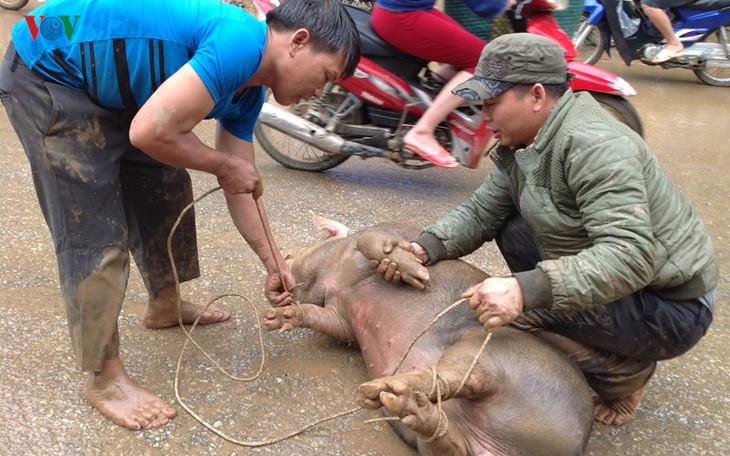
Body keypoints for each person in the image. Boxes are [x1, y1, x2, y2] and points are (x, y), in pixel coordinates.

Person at [0, 0, 360, 431]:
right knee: (93, 226)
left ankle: (164, 305)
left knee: (165, 186)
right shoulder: (241, 43)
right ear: (299, 42)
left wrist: (274, 264)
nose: (320, 93)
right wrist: (223, 165)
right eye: (325, 78)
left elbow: (241, 185)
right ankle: (104, 378)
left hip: (112, 82)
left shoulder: (247, 94)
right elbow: (152, 131)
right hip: (50, 64)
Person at [371, 33, 717, 426]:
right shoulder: (526, 141)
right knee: (513, 228)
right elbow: (484, 210)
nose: (483, 114)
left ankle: (625, 371)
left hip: (670, 307)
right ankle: (588, 330)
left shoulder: (595, 145)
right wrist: (425, 247)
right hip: (634, 283)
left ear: (536, 96)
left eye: (492, 103)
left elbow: (630, 256)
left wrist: (524, 290)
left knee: (517, 318)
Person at [371, 0, 509, 168]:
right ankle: (423, 131)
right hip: (402, 16)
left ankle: (432, 93)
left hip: (405, 10)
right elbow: (485, 7)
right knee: (486, 62)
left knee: (469, 49)